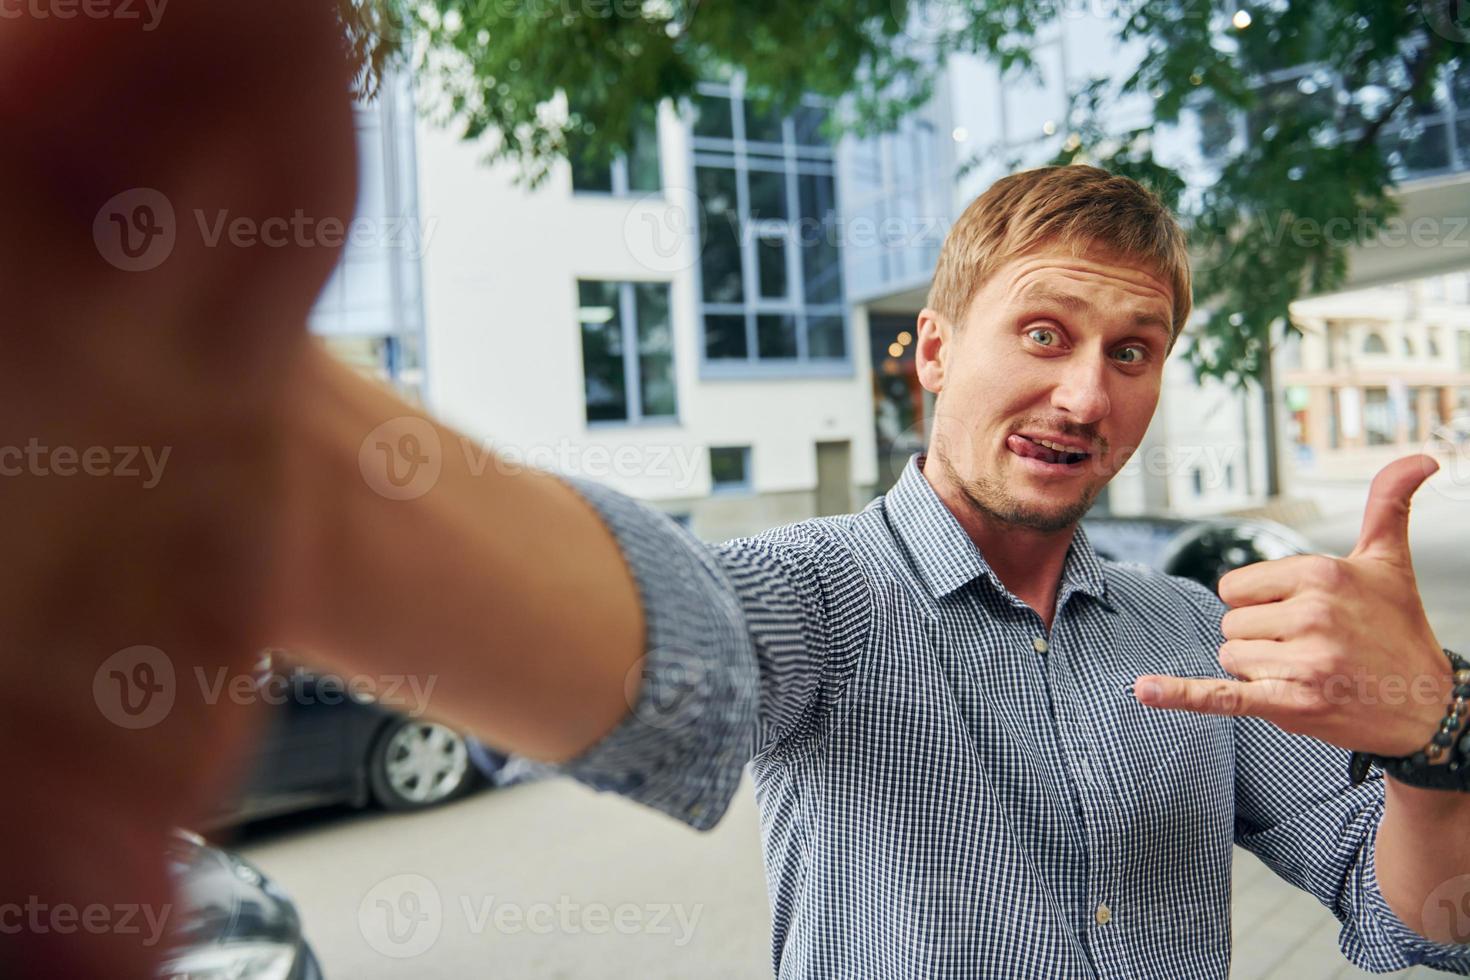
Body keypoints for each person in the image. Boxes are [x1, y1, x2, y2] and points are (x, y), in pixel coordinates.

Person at [3, 6, 1469, 979]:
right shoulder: (821, 591)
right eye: (1043, 333)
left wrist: (1436, 734)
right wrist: (206, 390)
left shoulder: (1189, 630)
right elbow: (651, 653)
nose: (1087, 392)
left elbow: (1413, 932)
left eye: (1130, 350)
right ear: (930, 353)